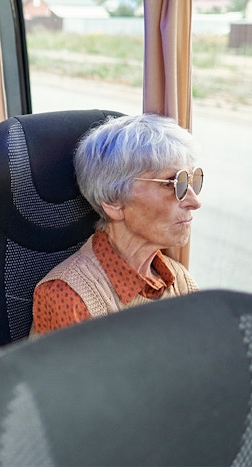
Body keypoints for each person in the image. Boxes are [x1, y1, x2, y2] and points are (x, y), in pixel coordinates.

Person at [31, 113, 203, 335]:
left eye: (191, 181)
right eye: (173, 184)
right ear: (114, 203)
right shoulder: (69, 296)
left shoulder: (178, 280)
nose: (194, 202)